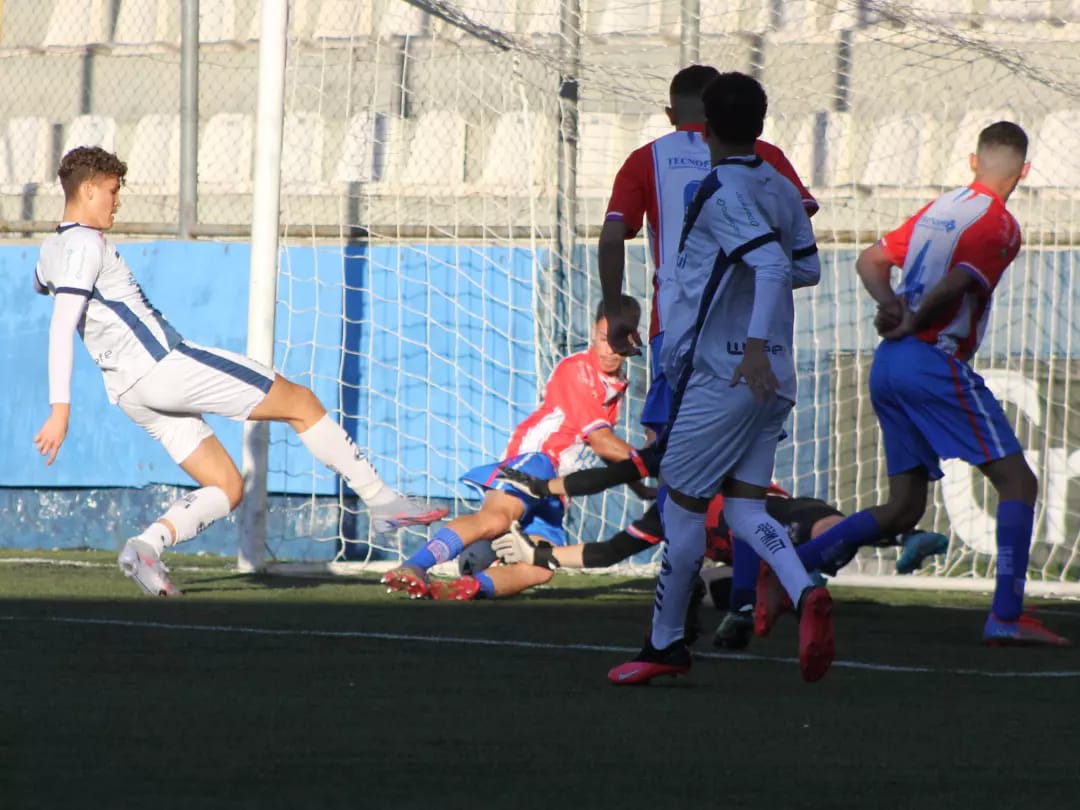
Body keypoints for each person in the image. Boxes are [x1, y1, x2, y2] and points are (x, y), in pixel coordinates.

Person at [32, 146, 448, 596]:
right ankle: (381, 500)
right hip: (165, 367)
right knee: (303, 403)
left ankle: (146, 547)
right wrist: (60, 409)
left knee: (227, 486)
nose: (117, 201)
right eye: (112, 191)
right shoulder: (84, 244)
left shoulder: (53, 247)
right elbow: (61, 323)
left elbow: (41, 284)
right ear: (89, 189)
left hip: (130, 392)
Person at [784, 121, 1070, 647]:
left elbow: (870, 260)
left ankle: (782, 575)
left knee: (904, 507)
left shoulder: (941, 209)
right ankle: (1007, 615)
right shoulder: (999, 224)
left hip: (889, 362)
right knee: (1019, 483)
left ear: (971, 161)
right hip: (930, 359)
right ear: (1024, 172)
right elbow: (961, 280)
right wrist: (914, 320)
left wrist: (890, 305)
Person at [605, 72, 832, 686]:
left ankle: (665, 645)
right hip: (775, 377)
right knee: (743, 507)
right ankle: (803, 588)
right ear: (760, 123)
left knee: (679, 511)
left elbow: (767, 263)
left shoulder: (717, 188)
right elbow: (803, 268)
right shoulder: (780, 185)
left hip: (726, 372)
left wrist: (749, 340)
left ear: (705, 124)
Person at [489, 451, 946, 649]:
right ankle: (779, 592)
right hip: (755, 551)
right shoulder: (664, 508)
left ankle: (903, 538)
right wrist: (540, 556)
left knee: (818, 528)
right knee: (697, 587)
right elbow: (609, 551)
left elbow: (623, 471)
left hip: (776, 516)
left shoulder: (703, 445)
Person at [379, 297, 643, 601]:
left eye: (618, 341)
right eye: (602, 338)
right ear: (593, 333)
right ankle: (415, 566)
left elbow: (605, 448)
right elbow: (600, 441)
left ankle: (467, 587)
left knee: (542, 563)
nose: (609, 348)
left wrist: (639, 487)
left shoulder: (619, 382)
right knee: (497, 520)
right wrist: (653, 464)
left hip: (557, 489)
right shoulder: (578, 370)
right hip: (536, 465)